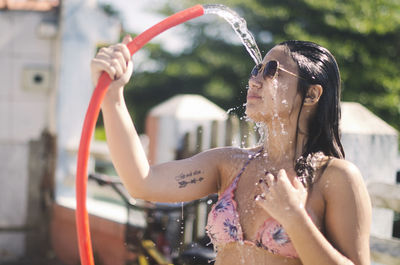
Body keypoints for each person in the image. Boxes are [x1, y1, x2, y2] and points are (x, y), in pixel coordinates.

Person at [91, 35, 372, 265]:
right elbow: (143, 183)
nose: (254, 80)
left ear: (311, 94)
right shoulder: (231, 164)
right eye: (256, 69)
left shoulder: (334, 178)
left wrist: (294, 218)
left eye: (272, 71)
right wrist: (113, 97)